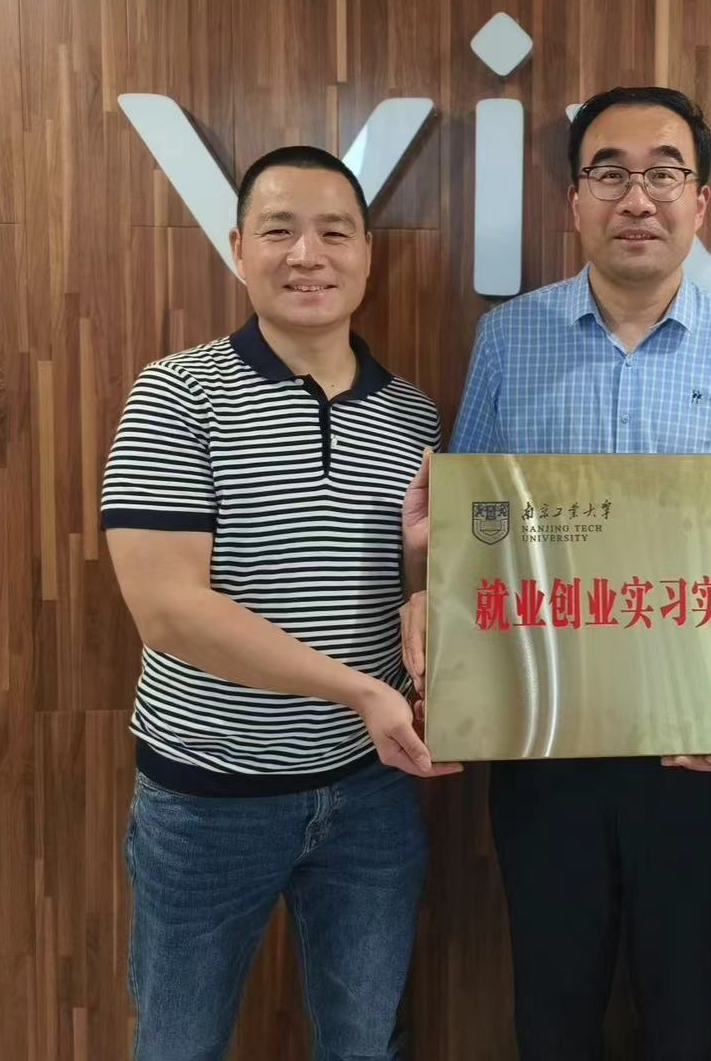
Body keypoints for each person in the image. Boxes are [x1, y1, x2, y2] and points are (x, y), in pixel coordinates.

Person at [403, 86, 711, 1060]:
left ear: (700, 202)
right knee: (552, 1008)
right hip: (542, 737)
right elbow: (474, 530)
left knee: (681, 1011)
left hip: (697, 744)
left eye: (664, 173)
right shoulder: (509, 339)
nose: (637, 197)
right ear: (574, 200)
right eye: (610, 173)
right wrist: (426, 579)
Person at [101, 145, 459, 1061]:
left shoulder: (413, 415)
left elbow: (407, 589)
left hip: (371, 793)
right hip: (206, 797)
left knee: (365, 1043)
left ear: (368, 255)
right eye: (279, 230)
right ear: (237, 249)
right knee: (179, 1044)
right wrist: (362, 692)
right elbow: (169, 611)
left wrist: (423, 578)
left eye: (334, 232)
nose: (308, 255)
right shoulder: (177, 393)